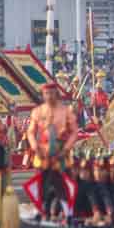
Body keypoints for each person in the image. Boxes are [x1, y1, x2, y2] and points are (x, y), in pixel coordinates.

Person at [26, 82, 78, 220]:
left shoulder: (66, 111)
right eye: (46, 93)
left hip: (60, 153)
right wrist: (35, 147)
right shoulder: (37, 111)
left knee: (62, 185)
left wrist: (66, 148)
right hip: (42, 154)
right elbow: (30, 132)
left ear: (56, 93)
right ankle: (39, 211)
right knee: (40, 183)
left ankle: (68, 213)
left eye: (51, 93)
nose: (49, 96)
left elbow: (74, 132)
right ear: (43, 95)